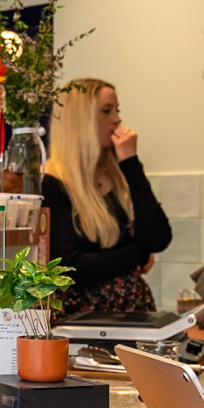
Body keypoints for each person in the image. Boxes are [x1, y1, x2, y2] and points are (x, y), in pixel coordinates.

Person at [41, 78, 172, 317]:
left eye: (117, 110)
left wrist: (131, 164)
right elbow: (71, 267)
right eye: (106, 111)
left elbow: (158, 238)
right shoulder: (51, 183)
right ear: (80, 121)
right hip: (84, 319)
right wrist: (138, 254)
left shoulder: (119, 172)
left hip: (134, 311)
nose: (117, 119)